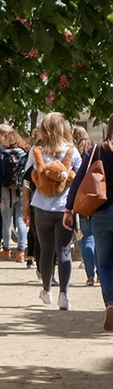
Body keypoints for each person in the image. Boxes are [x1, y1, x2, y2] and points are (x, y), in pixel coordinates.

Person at [22, 111, 82, 310]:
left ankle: (47, 289)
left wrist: (25, 208)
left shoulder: (36, 150)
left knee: (46, 251)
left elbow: (28, 178)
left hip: (42, 207)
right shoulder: (71, 150)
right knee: (64, 250)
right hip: (65, 207)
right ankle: (64, 295)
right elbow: (80, 177)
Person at [65, 119, 113, 331]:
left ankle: (110, 302)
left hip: (101, 213)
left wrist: (69, 209)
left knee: (104, 263)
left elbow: (78, 181)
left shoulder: (97, 151)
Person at [0, 124, 29, 261]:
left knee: (6, 221)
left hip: (5, 191)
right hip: (21, 190)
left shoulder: (3, 156)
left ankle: (7, 250)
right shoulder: (24, 155)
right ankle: (21, 251)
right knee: (21, 220)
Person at [71, 126, 98, 287]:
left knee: (84, 237)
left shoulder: (76, 153)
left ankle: (90, 275)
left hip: (81, 200)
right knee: (100, 240)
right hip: (99, 199)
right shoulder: (97, 149)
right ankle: (102, 273)